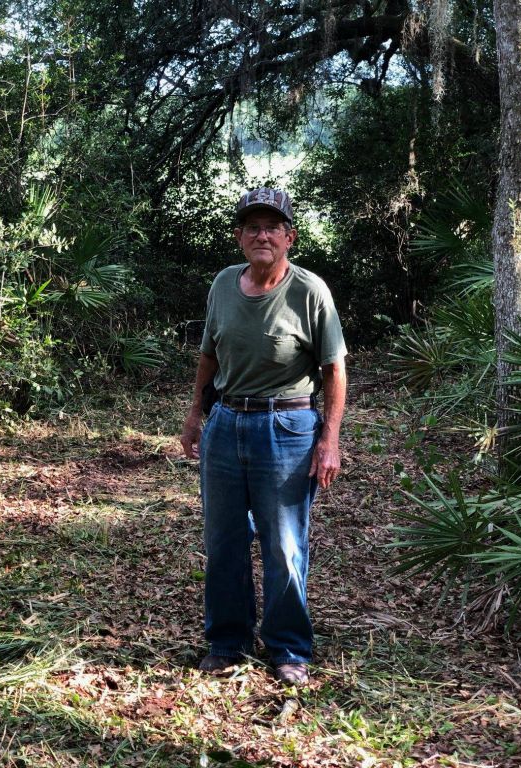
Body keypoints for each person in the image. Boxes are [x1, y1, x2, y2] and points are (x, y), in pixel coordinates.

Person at [179, 188, 347, 686]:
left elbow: (335, 369)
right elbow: (209, 355)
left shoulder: (309, 291)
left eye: (272, 227)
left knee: (284, 545)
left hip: (288, 428)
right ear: (239, 237)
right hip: (226, 424)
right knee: (224, 540)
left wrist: (330, 438)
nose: (262, 235)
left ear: (289, 237)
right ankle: (227, 641)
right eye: (252, 227)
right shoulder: (224, 285)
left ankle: (288, 647)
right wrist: (194, 413)